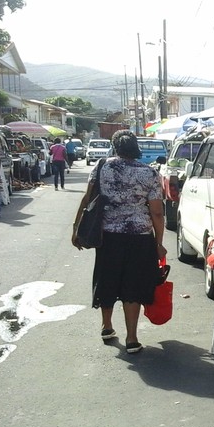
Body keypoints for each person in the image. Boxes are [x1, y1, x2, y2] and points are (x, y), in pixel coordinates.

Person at [70, 130, 167, 355]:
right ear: (136, 147)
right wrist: (159, 241)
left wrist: (76, 228)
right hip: (140, 237)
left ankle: (107, 327)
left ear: (115, 146)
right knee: (132, 285)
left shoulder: (102, 166)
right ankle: (132, 338)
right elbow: (157, 212)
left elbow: (87, 199)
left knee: (107, 278)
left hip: (108, 236)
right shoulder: (149, 173)